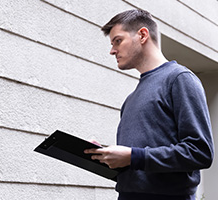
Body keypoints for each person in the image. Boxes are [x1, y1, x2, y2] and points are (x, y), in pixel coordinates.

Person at [84, 9, 214, 200]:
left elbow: (199, 152)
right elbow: (138, 164)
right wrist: (106, 156)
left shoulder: (179, 79)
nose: (112, 50)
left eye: (118, 41)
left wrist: (133, 156)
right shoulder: (130, 99)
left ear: (143, 35)